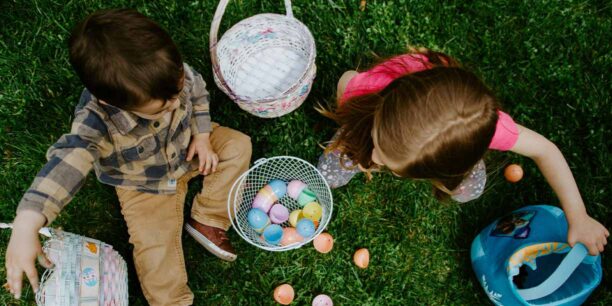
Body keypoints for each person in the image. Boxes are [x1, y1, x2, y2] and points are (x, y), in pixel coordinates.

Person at [4, 9, 252, 306]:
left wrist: (201, 134)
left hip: (189, 146)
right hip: (143, 183)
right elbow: (67, 163)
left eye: (177, 92)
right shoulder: (95, 123)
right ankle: (172, 302)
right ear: (111, 102)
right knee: (155, 252)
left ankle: (208, 218)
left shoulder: (169, 73)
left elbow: (196, 92)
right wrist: (26, 223)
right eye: (161, 108)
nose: (175, 104)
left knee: (238, 145)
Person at [317, 48, 608, 256]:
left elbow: (545, 149)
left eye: (387, 161)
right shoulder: (369, 90)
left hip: (448, 138)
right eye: (379, 143)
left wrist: (578, 217)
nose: (376, 161)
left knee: (468, 190)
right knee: (341, 159)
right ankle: (361, 142)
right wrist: (362, 129)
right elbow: (346, 80)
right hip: (385, 103)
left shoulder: (487, 128)